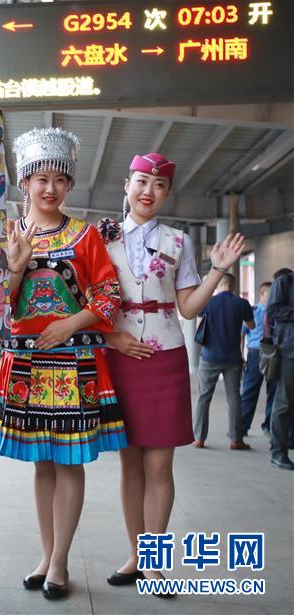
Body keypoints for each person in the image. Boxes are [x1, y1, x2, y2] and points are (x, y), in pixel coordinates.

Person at [96, 153, 246, 592]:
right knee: (130, 463)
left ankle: (154, 562)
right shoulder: (100, 238)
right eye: (142, 182)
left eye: (159, 185)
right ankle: (134, 556)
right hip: (119, 355)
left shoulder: (178, 241)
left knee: (160, 464)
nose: (149, 191)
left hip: (165, 358)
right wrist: (111, 339)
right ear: (127, 186)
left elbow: (188, 307)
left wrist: (218, 270)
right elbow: (86, 298)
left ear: (166, 193)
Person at [0, 127, 126, 601]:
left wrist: (70, 324)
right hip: (27, 361)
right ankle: (46, 555)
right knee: (42, 463)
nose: (50, 188)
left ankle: (61, 561)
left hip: (73, 360)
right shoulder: (8, 236)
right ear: (25, 182)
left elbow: (108, 294)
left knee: (68, 462)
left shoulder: (85, 235)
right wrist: (15, 265)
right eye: (41, 179)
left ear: (69, 184)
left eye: (59, 180)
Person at [192, 274, 254, 449]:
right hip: (233, 358)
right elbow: (252, 326)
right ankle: (236, 440)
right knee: (234, 398)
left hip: (210, 356)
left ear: (219, 285)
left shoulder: (208, 302)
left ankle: (199, 438)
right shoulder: (242, 303)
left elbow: (198, 327)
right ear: (233, 286)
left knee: (203, 397)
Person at [241, 281, 277, 436]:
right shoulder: (253, 311)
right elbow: (242, 333)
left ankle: (269, 426)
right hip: (255, 353)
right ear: (262, 294)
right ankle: (242, 426)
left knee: (273, 390)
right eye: (270, 294)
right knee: (250, 390)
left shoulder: (276, 312)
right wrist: (241, 354)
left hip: (273, 353)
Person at [267, 268, 294, 470]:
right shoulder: (285, 281)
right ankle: (278, 452)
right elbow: (273, 310)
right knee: (284, 402)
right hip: (289, 351)